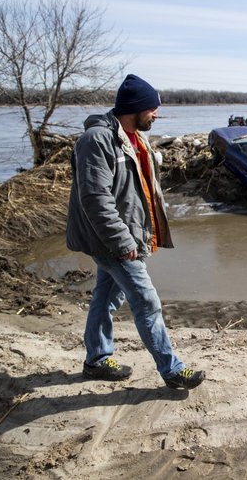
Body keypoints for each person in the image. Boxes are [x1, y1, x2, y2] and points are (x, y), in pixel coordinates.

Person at [67, 74, 205, 390]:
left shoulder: (134, 138)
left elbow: (139, 190)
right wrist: (123, 240)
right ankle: (173, 371)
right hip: (112, 239)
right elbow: (95, 198)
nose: (156, 114)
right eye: (152, 109)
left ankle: (97, 360)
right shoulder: (97, 141)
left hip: (129, 235)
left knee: (106, 297)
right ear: (136, 108)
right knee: (146, 300)